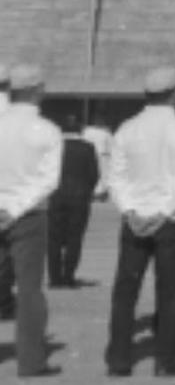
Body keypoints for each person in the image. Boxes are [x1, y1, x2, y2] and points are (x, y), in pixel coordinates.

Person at [105, 68, 175, 377]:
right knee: (171, 291)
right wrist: (163, 210)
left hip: (135, 219)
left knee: (125, 290)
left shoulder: (127, 128)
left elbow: (115, 176)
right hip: (170, 220)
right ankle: (167, 360)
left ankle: (119, 360)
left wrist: (130, 209)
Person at [0, 66, 62, 376]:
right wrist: (15, 207)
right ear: (37, 91)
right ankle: (31, 360)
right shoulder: (46, 129)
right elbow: (48, 180)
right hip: (27, 216)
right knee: (29, 289)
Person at [48, 112, 100, 288]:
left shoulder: (54, 146)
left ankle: (55, 278)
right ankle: (68, 276)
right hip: (79, 197)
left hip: (55, 196)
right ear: (80, 128)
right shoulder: (87, 148)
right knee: (74, 238)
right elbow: (94, 174)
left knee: (53, 238)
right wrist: (88, 191)